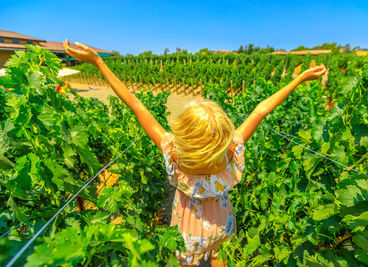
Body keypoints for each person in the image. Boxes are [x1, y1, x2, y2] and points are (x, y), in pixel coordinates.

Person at [63, 39, 326, 266]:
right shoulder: (230, 151)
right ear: (223, 136)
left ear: (185, 133)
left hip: (187, 228)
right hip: (221, 223)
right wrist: (300, 78)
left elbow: (134, 104)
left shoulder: (174, 152)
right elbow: (261, 109)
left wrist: (99, 62)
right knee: (220, 257)